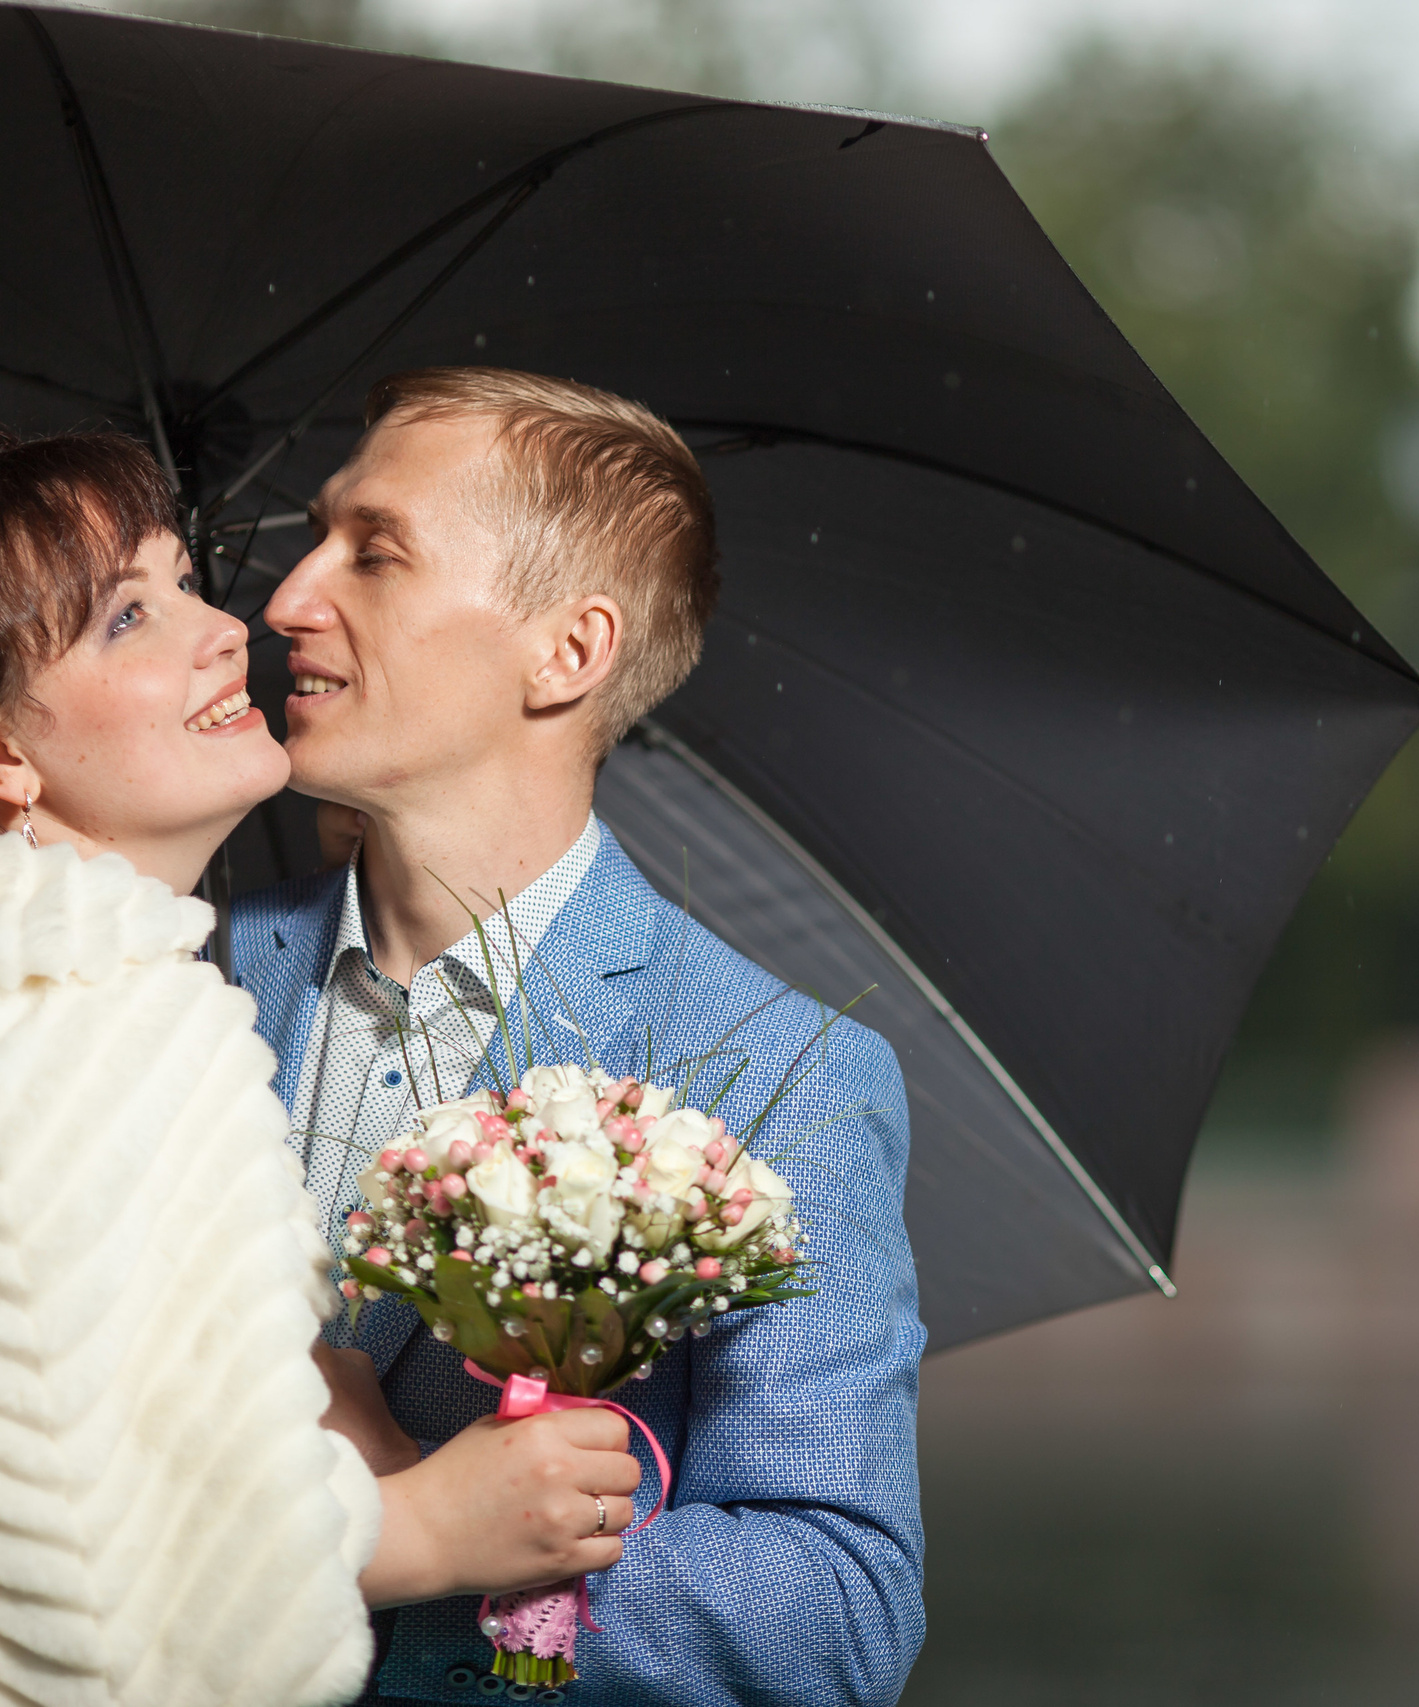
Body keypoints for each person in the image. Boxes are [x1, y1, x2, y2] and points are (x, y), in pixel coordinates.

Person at [0, 408, 637, 1707]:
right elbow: (101, 1572)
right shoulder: (100, 1035)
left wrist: (277, 1369)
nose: (225, 627)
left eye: (181, 580)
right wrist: (430, 1526)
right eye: (129, 618)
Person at [234, 366, 926, 1706]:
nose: (288, 600)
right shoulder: (181, 969)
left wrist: (458, 1550)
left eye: (373, 553)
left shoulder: (785, 1077)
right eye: (315, 536)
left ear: (570, 651)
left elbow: (840, 1616)